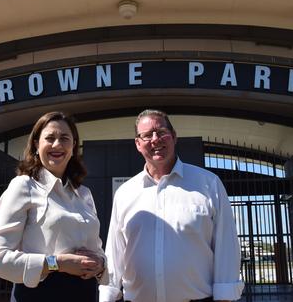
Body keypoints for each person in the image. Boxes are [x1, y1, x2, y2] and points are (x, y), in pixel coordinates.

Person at [99, 109, 244, 302]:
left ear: (174, 137)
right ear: (138, 144)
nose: (155, 140)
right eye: (147, 135)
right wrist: (108, 296)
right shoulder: (125, 193)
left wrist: (225, 297)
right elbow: (115, 251)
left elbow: (227, 246)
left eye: (161, 132)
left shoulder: (209, 184)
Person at [0, 111, 107, 302]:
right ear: (36, 144)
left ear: (73, 145)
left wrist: (100, 264)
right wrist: (56, 263)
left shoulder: (84, 194)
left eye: (65, 138)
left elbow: (97, 250)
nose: (57, 144)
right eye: (50, 138)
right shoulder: (23, 185)